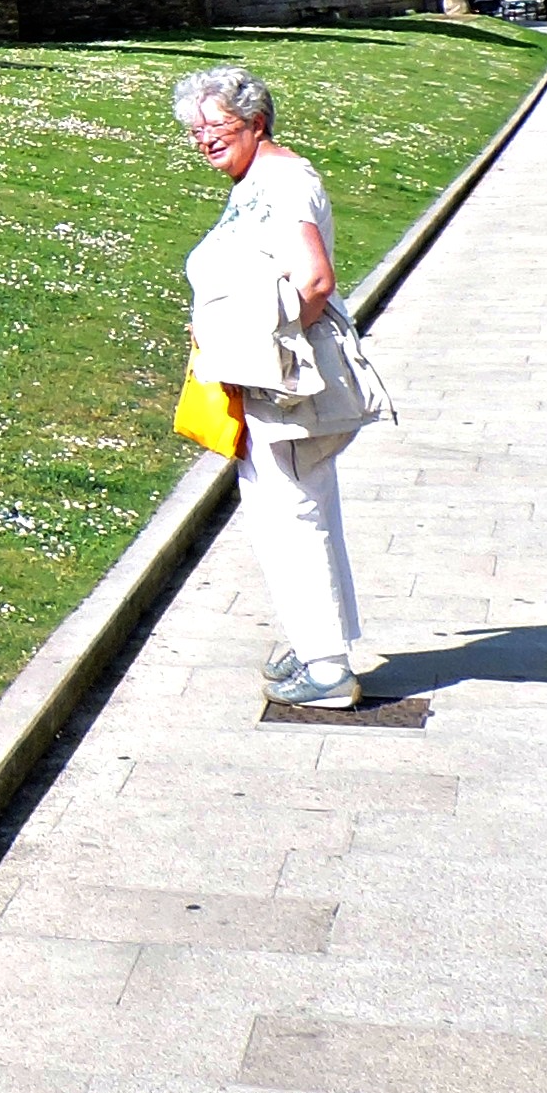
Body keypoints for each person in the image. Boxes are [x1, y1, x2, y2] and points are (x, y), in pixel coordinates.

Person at [173, 65, 377, 710]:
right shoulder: (256, 181)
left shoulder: (284, 182)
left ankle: (327, 671)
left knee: (291, 517)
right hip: (270, 382)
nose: (204, 139)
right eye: (194, 129)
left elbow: (314, 281)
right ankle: (322, 645)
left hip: (288, 388)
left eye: (216, 126)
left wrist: (272, 354)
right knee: (293, 511)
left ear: (256, 122)